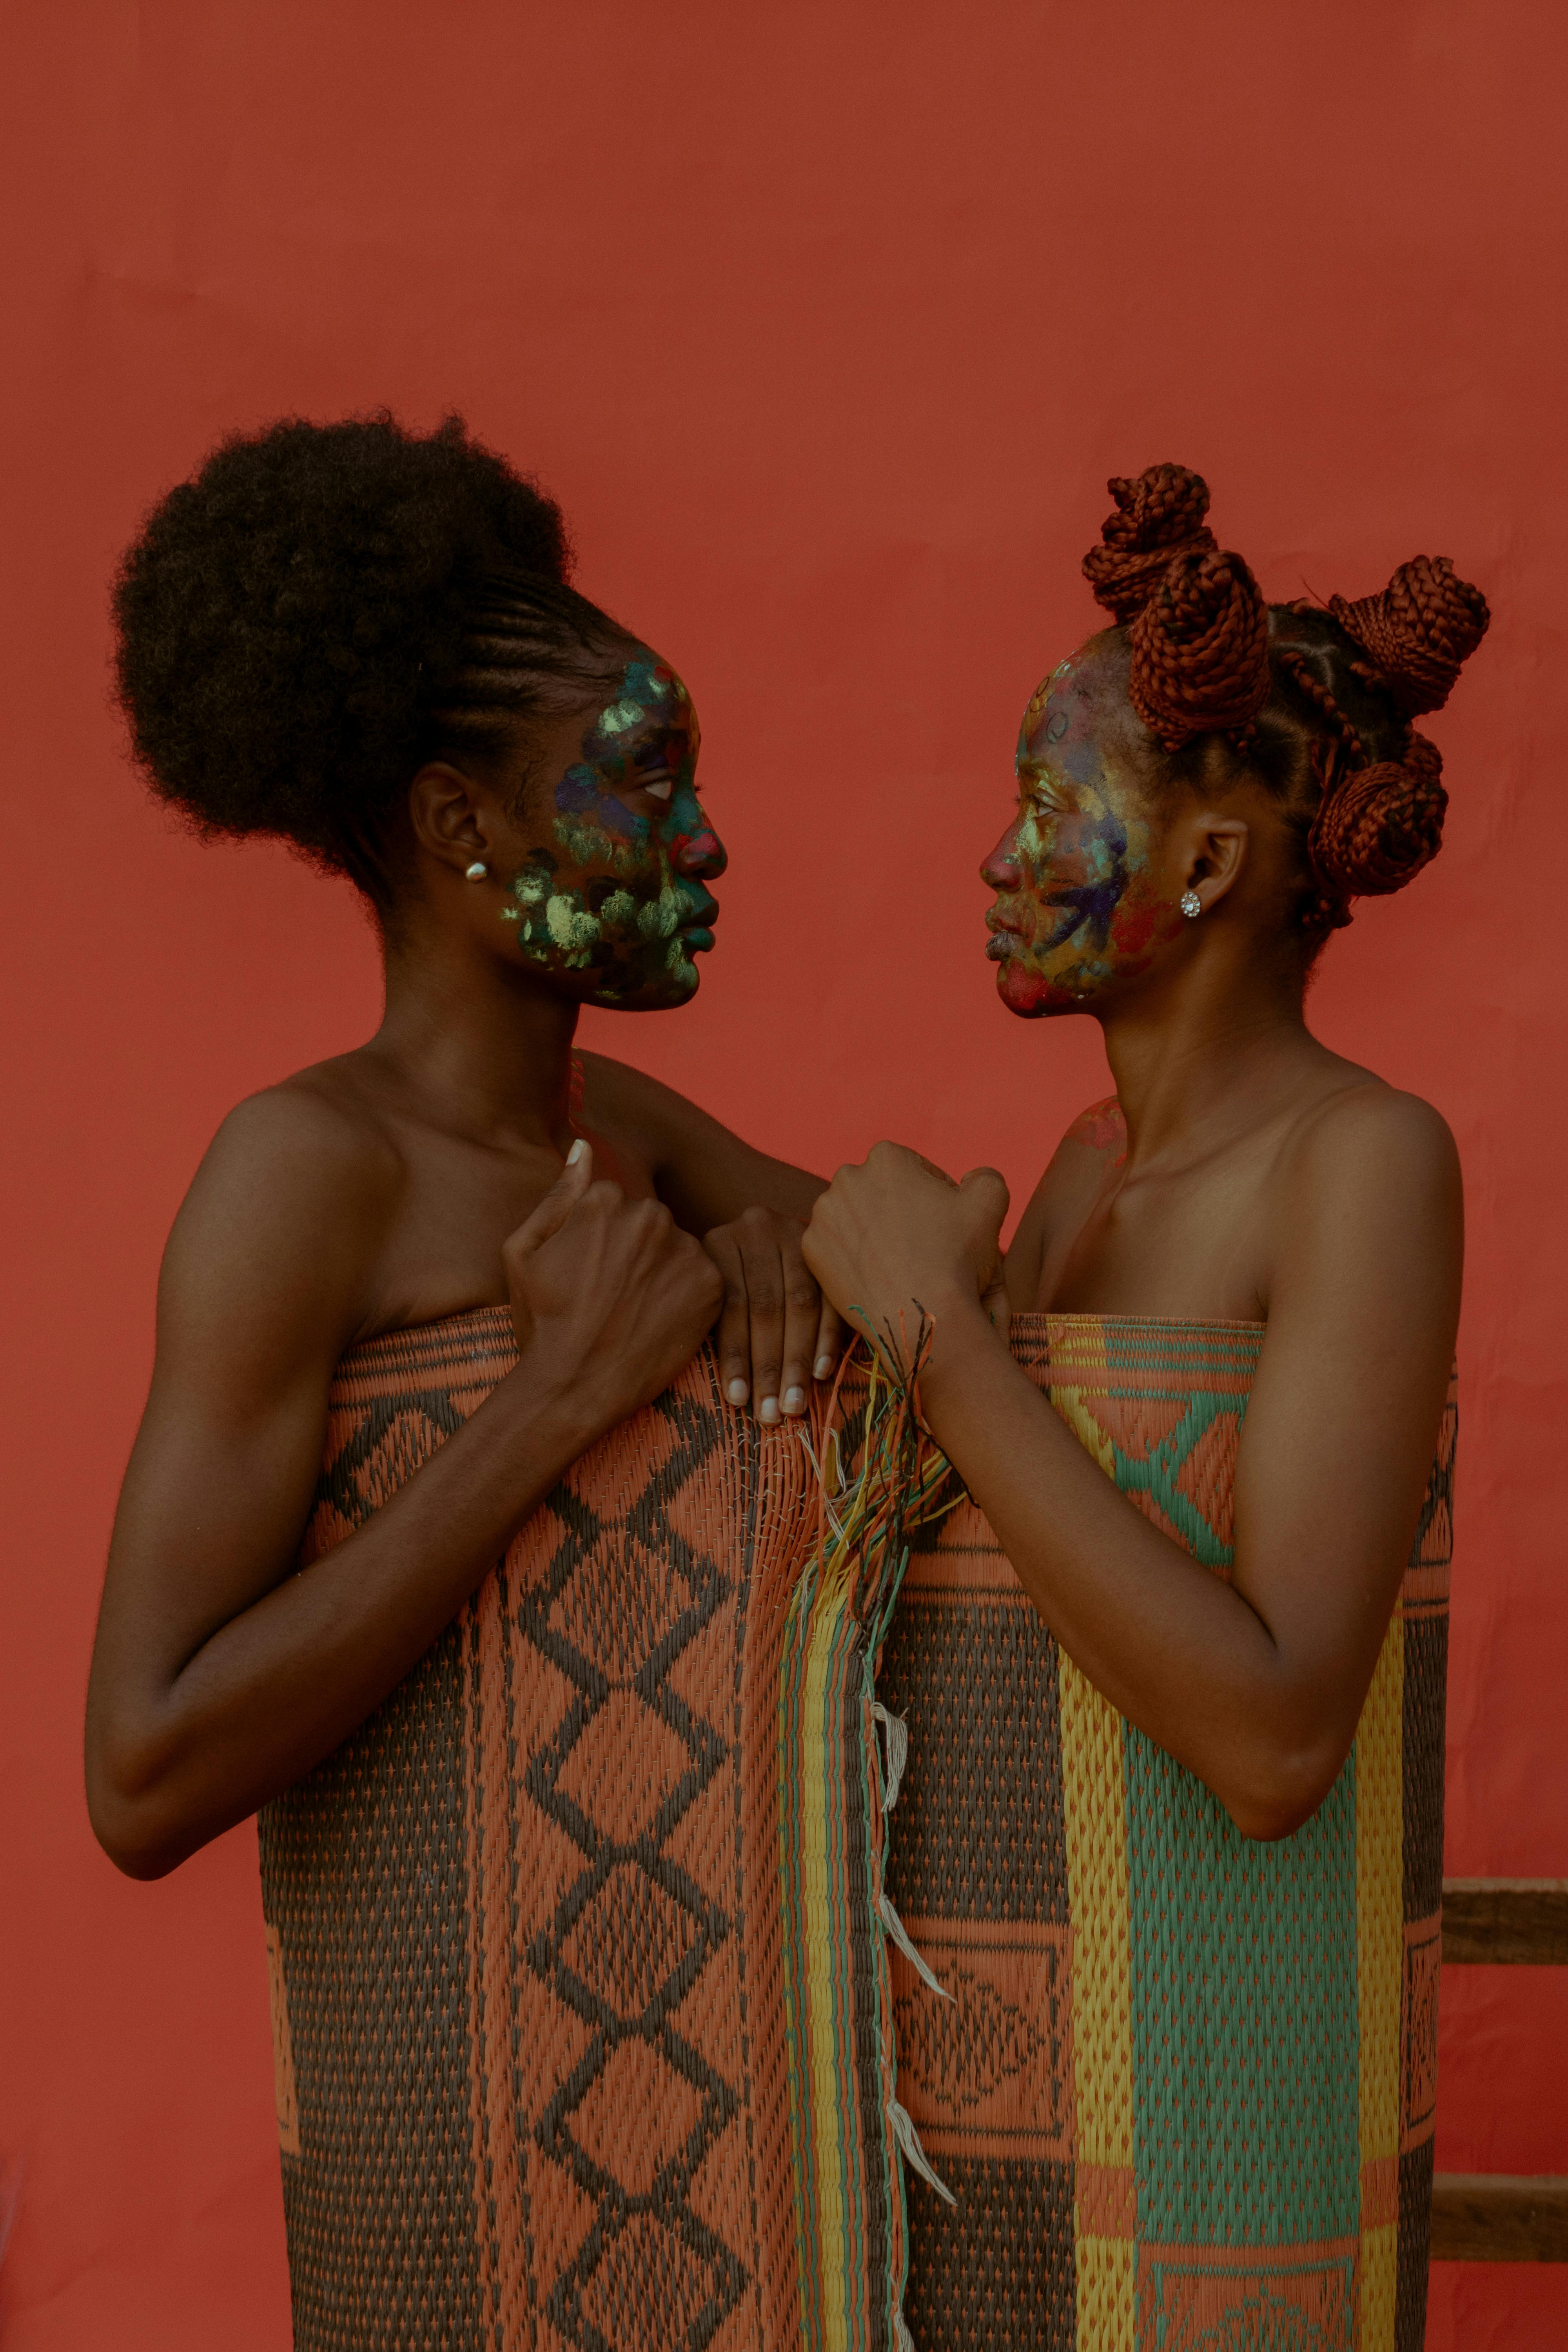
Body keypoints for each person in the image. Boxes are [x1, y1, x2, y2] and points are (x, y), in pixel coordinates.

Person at [86, 414, 899, 2352]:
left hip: (712, 2155)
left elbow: (943, 1245)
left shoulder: (619, 1125)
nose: (706, 838)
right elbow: (144, 1766)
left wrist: (786, 1251)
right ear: (462, 831)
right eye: (646, 781)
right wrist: (552, 1406)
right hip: (442, 2150)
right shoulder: (306, 1176)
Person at [802, 465, 1485, 2352]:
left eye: (1045, 806)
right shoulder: (1088, 1171)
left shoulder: (1359, 1163)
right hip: (1040, 2108)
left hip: (1235, 2126)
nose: (996, 859)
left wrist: (940, 1327)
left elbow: (1274, 1744)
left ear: (1200, 868)